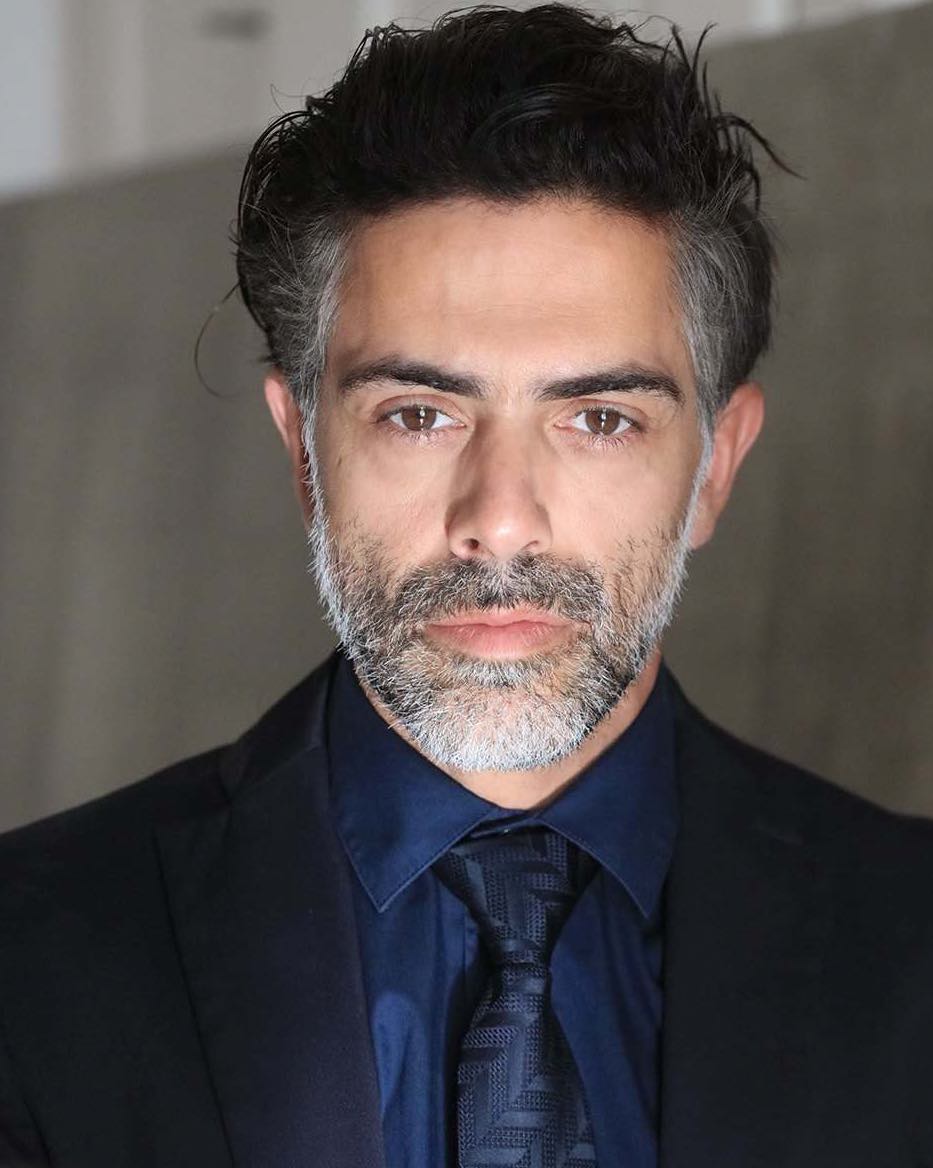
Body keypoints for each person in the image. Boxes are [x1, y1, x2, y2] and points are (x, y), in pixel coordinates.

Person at [1, 4, 931, 1166]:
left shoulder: (910, 942)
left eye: (600, 418)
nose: (499, 517)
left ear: (714, 467)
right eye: (419, 414)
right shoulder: (29, 960)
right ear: (304, 453)